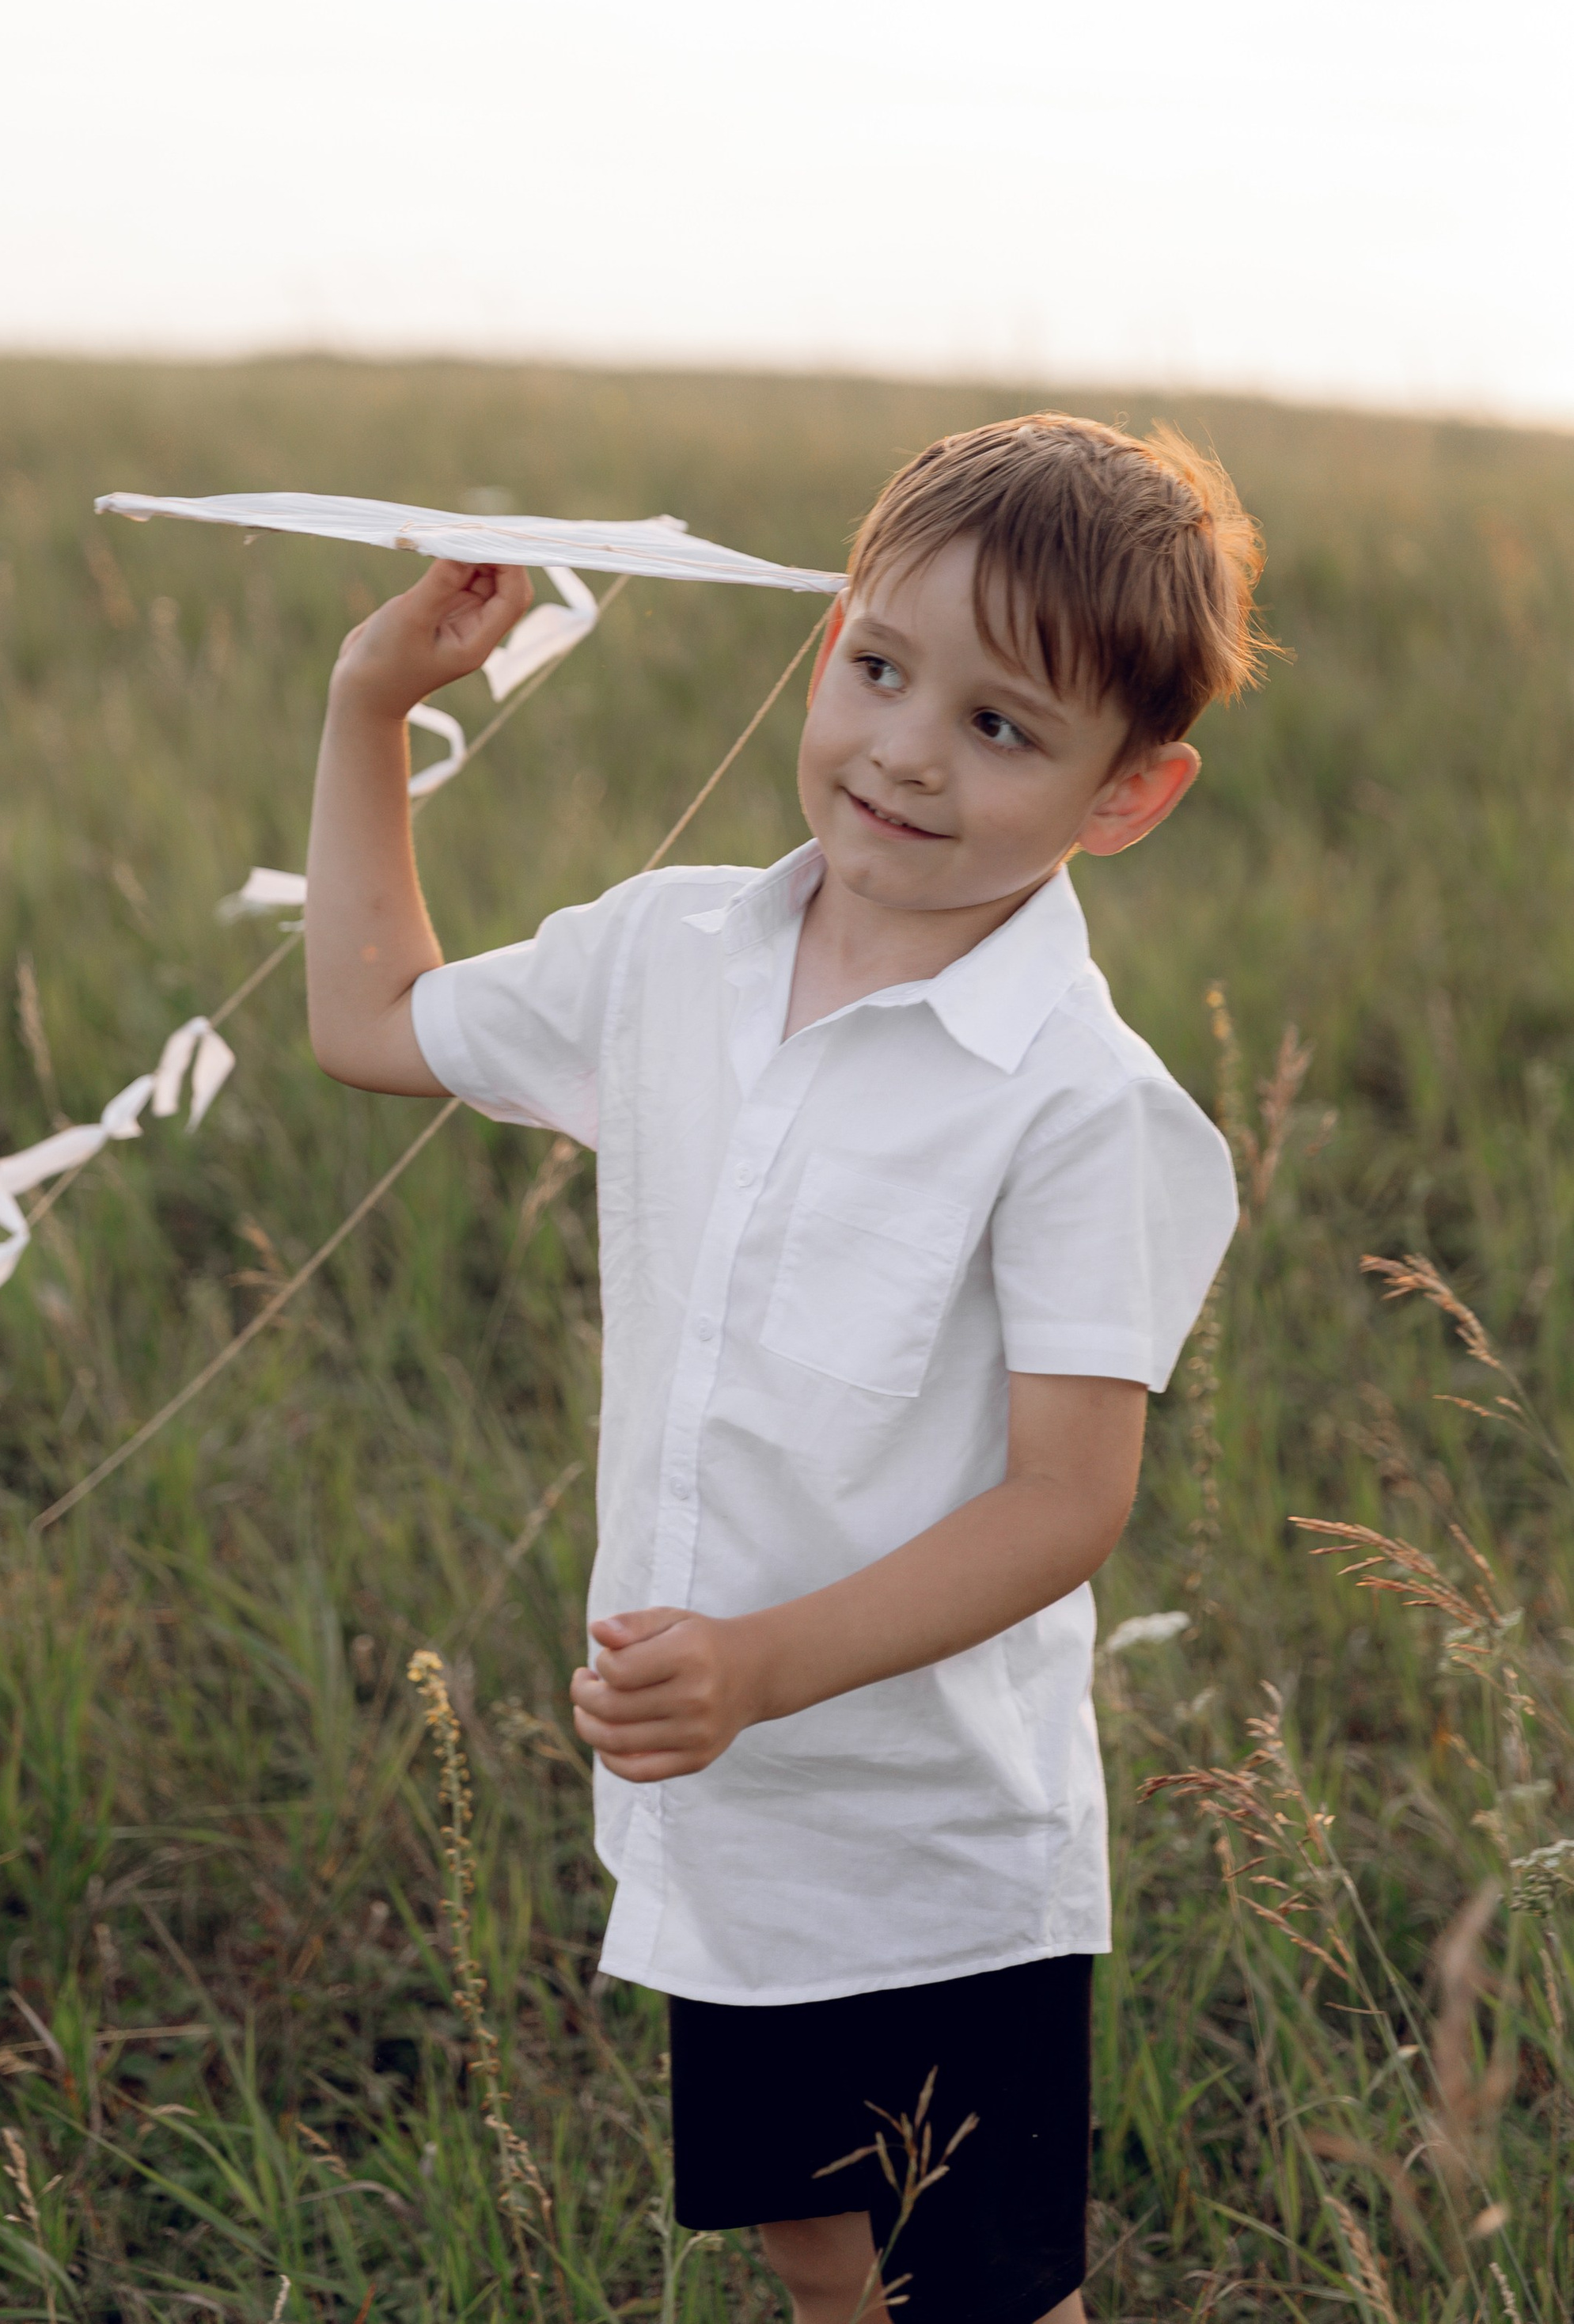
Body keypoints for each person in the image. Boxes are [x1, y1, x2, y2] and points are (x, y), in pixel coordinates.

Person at [304, 414, 1269, 2324]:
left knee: (974, 2297)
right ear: (826, 634)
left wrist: (759, 1667)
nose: (906, 749)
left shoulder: (1082, 1109)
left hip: (928, 1841)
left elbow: (1066, 1503)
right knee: (813, 2258)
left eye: (1000, 727)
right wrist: (365, 705)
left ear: (1123, 795)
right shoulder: (669, 954)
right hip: (722, 1820)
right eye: (879, 668)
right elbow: (365, 1017)